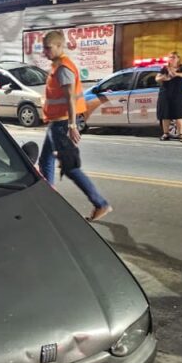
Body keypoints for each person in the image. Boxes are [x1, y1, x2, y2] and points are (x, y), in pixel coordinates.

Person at [37, 30, 112, 222]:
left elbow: (70, 97)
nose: (45, 52)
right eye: (44, 48)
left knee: (70, 167)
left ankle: (100, 203)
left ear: (59, 46)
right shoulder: (56, 66)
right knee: (45, 160)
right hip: (57, 122)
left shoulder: (63, 68)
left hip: (63, 123)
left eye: (48, 48)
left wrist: (71, 125)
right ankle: (48, 199)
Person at [156, 51, 182, 142]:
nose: (171, 59)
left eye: (173, 57)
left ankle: (181, 135)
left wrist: (177, 74)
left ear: (178, 58)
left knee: (178, 114)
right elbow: (157, 78)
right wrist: (164, 78)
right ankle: (166, 134)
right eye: (170, 57)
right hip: (165, 93)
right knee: (165, 114)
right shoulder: (165, 68)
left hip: (178, 93)